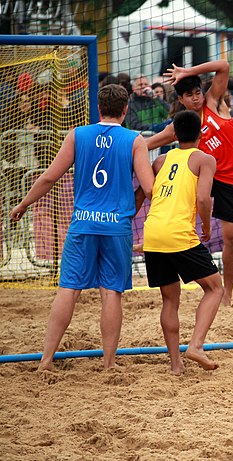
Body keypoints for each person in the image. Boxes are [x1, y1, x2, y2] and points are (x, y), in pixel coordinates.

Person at [9, 84, 155, 371]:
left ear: (98, 108)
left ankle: (46, 360)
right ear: (126, 110)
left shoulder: (77, 134)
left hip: (83, 223)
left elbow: (49, 178)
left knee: (68, 289)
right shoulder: (135, 140)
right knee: (111, 292)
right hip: (117, 227)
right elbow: (149, 189)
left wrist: (23, 204)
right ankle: (109, 364)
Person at [146, 60, 233, 307]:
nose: (196, 98)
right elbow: (146, 144)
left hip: (232, 175)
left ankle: (228, 292)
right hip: (201, 175)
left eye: (197, 92)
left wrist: (187, 72)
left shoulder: (214, 102)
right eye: (189, 95)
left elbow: (223, 66)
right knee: (178, 219)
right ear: (181, 99)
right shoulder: (181, 125)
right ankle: (186, 267)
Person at [143, 110, 223, 374]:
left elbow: (148, 193)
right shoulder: (204, 159)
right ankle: (196, 345)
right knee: (214, 288)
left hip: (153, 234)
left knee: (170, 300)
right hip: (179, 234)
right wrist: (208, 227)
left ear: (174, 135)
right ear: (201, 134)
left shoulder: (161, 160)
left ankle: (175, 365)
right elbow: (203, 199)